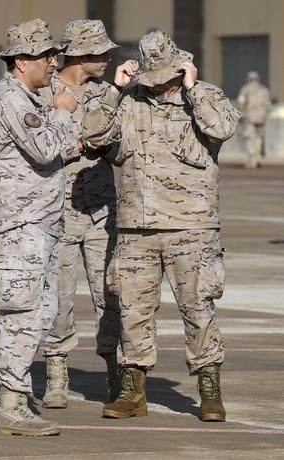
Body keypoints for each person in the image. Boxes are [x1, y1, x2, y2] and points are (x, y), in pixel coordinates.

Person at [82, 30, 240, 422]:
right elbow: (91, 134)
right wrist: (113, 90)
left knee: (198, 310)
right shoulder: (127, 103)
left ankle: (209, 391)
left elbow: (223, 129)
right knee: (132, 311)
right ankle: (132, 391)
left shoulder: (204, 97)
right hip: (136, 229)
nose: (160, 85)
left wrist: (193, 89)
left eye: (168, 77)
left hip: (193, 228)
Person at [0, 18, 77, 436]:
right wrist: (63, 114)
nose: (53, 62)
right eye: (46, 55)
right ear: (21, 60)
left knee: (41, 314)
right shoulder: (9, 99)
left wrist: (60, 116)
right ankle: (10, 405)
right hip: (20, 223)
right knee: (23, 314)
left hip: (40, 221)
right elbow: (47, 148)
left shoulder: (28, 98)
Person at [39, 19, 121, 409]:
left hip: (102, 209)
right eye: (101, 52)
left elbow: (120, 142)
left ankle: (115, 369)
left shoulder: (110, 93)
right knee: (58, 297)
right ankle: (56, 371)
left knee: (112, 293)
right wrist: (80, 143)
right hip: (58, 212)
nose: (107, 57)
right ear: (80, 54)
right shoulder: (44, 93)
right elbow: (38, 148)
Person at [237, 70, 271, 168]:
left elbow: (240, 101)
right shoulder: (264, 90)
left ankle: (252, 160)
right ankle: (258, 158)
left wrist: (240, 111)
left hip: (250, 117)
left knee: (250, 138)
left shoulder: (246, 89)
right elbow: (268, 105)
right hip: (262, 118)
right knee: (259, 138)